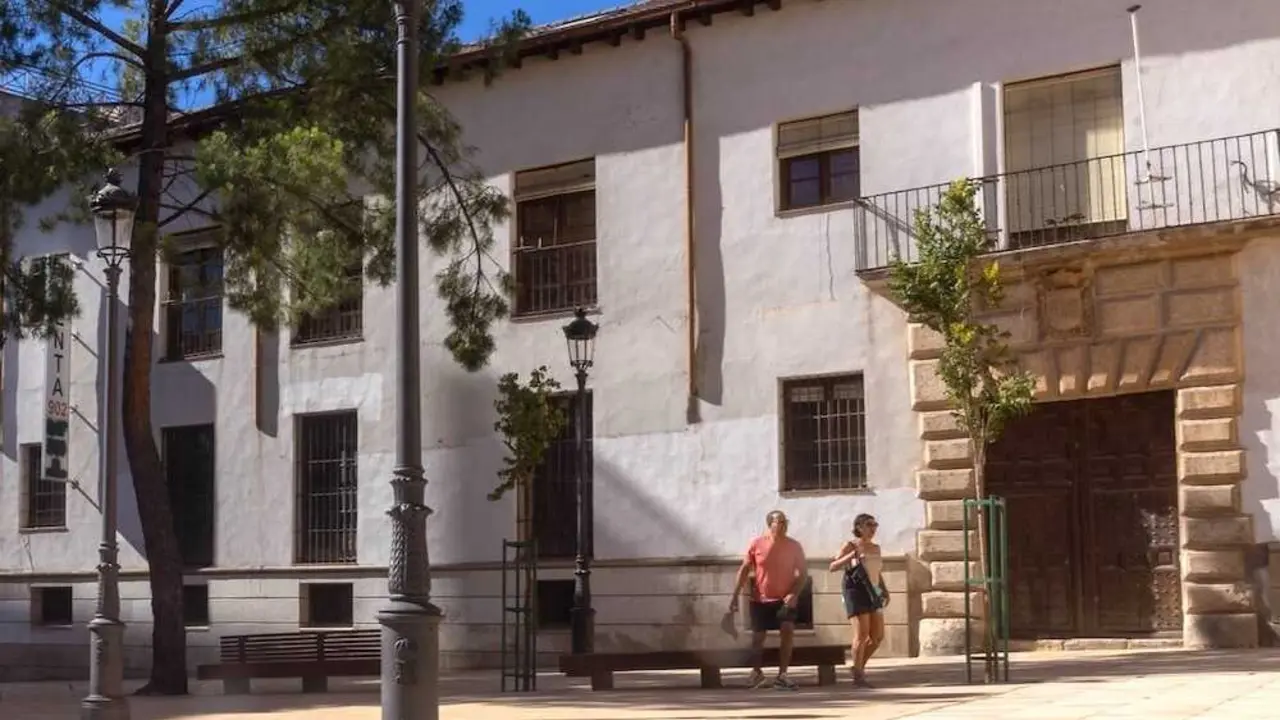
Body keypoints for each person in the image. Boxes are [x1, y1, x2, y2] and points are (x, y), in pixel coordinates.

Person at [729, 510, 808, 690]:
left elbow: (803, 575)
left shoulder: (794, 546)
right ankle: (757, 673)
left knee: (787, 631)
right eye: (777, 522)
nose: (781, 525)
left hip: (785, 599)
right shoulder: (757, 544)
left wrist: (794, 593)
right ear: (769, 524)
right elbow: (744, 570)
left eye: (784, 522)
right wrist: (734, 596)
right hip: (761, 598)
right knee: (758, 638)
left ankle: (782, 675)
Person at [829, 513, 889, 688]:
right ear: (859, 527)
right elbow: (833, 566)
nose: (873, 529)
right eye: (869, 525)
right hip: (856, 591)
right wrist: (852, 556)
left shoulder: (876, 548)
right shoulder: (850, 545)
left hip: (874, 591)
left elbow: (876, 571)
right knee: (862, 635)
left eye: (875, 525)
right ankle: (858, 676)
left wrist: (884, 589)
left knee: (877, 637)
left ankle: (857, 667)